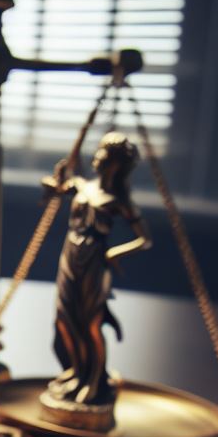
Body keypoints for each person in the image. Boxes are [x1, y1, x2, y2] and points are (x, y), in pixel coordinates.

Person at [45, 132, 151, 413]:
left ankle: (94, 381)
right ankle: (75, 372)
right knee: (65, 320)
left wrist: (114, 253)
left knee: (90, 323)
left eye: (103, 152)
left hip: (94, 261)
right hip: (70, 255)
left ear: (115, 162)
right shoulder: (82, 185)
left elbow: (145, 239)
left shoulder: (118, 200)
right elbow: (69, 167)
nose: (96, 156)